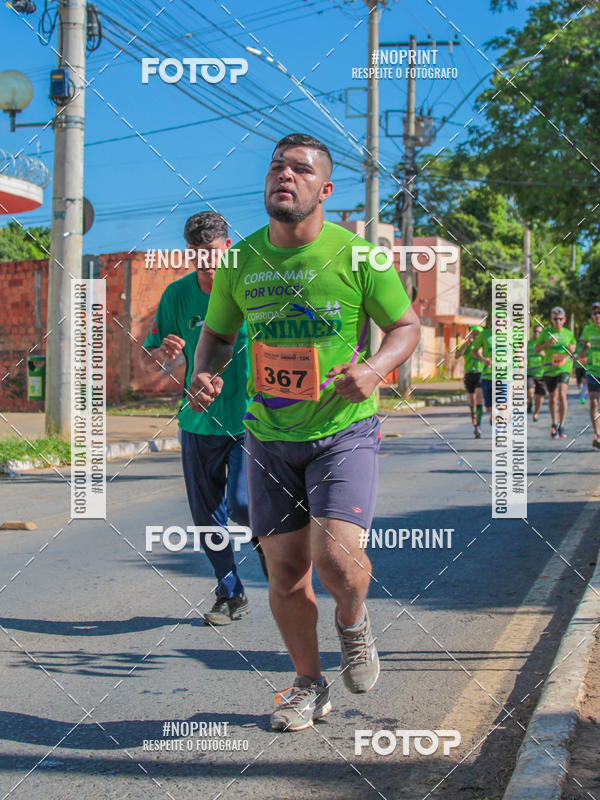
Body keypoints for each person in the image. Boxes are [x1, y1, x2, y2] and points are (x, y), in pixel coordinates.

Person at [189, 133, 420, 731]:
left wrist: (373, 370)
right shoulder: (240, 261)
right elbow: (215, 337)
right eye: (276, 167)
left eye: (299, 169)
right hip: (268, 436)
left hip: (343, 430)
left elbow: (406, 326)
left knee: (338, 561)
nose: (284, 176)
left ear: (325, 188)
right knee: (287, 572)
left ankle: (353, 622)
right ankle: (307, 685)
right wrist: (206, 375)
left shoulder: (360, 256)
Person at [139, 211, 266, 627]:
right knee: (206, 516)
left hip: (250, 420)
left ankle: (267, 541)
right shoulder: (176, 296)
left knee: (245, 504)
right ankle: (230, 591)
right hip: (198, 421)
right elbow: (151, 362)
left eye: (211, 252)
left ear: (227, 247)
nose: (206, 262)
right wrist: (165, 355)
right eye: (197, 254)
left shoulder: (251, 290)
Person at [534, 307, 576, 439]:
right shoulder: (545, 333)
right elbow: (536, 349)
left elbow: (573, 348)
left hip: (564, 369)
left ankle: (562, 425)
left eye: (560, 319)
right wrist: (547, 344)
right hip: (549, 370)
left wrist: (571, 348)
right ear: (551, 320)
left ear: (564, 320)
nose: (557, 321)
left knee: (562, 394)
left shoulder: (568, 333)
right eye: (555, 319)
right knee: (552, 398)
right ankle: (554, 423)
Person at [577, 301, 600, 449]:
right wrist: (584, 347)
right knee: (593, 400)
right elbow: (582, 346)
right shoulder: (587, 329)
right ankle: (597, 435)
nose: (597, 315)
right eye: (595, 313)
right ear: (592, 315)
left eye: (599, 312)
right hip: (593, 369)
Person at [456, 325, 484, 438]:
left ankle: (478, 425)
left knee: (478, 398)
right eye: (473, 333)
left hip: (481, 373)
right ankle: (473, 416)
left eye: (478, 334)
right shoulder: (467, 345)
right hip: (469, 374)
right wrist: (467, 344)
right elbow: (456, 355)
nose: (475, 336)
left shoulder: (483, 346)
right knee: (471, 400)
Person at [472, 320, 493, 425]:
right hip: (487, 376)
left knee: (503, 403)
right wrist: (484, 360)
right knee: (488, 406)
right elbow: (474, 351)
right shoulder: (485, 334)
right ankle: (492, 414)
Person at [527, 323, 546, 422]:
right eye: (535, 331)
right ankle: (530, 402)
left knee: (539, 396)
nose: (537, 334)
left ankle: (536, 413)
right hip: (529, 373)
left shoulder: (544, 345)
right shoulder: (527, 344)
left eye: (539, 332)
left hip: (541, 374)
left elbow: (549, 357)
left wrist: (542, 353)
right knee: (530, 392)